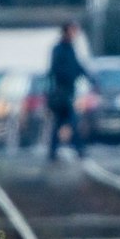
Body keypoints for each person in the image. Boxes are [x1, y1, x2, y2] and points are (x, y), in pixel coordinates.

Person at [46, 23, 88, 161]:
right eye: (73, 31)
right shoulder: (59, 49)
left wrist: (88, 76)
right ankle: (78, 149)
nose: (75, 34)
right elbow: (56, 70)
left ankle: (55, 151)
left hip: (68, 91)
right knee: (70, 121)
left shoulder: (70, 49)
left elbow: (77, 66)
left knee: (63, 122)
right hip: (61, 92)